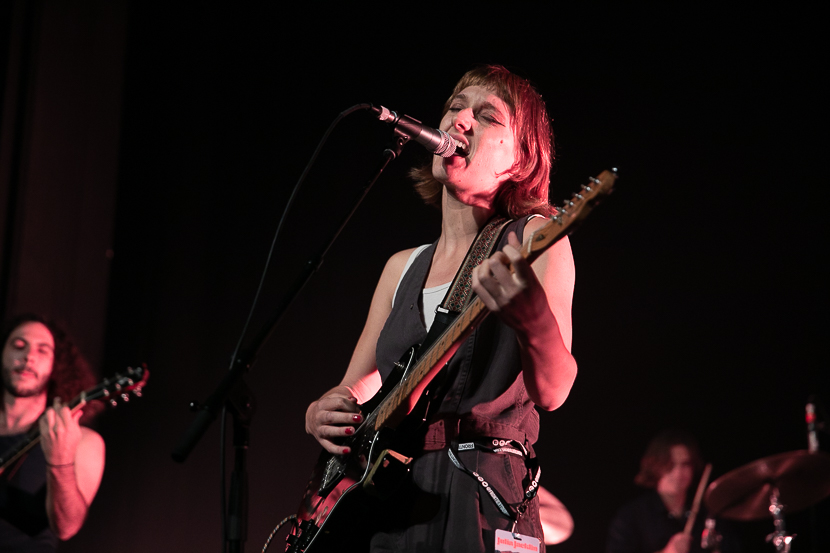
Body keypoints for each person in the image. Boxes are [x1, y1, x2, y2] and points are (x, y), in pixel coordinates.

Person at [304, 65, 577, 552]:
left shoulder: (536, 237)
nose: (461, 120)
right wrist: (321, 412)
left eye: (488, 116)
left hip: (482, 492)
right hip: (391, 499)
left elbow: (554, 392)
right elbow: (355, 390)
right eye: (455, 107)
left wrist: (534, 321)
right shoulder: (402, 266)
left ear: (521, 159)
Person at [0, 314, 105, 552]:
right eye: (19, 345)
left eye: (43, 350)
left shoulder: (84, 441)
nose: (28, 356)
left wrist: (61, 461)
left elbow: (66, 527)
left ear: (56, 365)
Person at [606, 430, 740, 553]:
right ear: (654, 466)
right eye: (670, 464)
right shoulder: (630, 517)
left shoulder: (709, 513)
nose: (678, 473)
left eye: (685, 464)